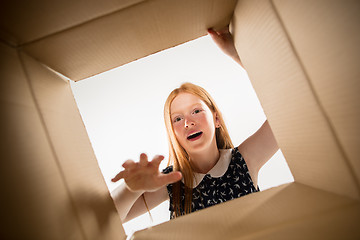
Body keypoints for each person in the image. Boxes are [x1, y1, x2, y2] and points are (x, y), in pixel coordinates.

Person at [110, 26, 278, 221]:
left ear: (216, 119)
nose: (188, 122)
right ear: (173, 132)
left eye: (196, 111)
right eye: (177, 119)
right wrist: (130, 189)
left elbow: (289, 105)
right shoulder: (170, 180)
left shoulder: (244, 160)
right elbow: (105, 221)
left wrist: (238, 54)